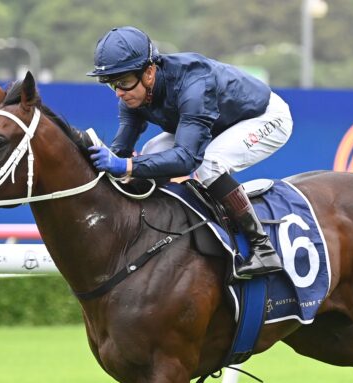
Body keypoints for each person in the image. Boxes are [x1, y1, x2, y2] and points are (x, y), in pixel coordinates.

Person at [86, 26, 293, 278]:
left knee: (210, 164)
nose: (120, 92)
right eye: (113, 84)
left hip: (264, 117)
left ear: (149, 72)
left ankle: (263, 248)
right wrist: (107, 162)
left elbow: (187, 160)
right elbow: (121, 150)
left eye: (124, 82)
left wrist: (126, 166)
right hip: (216, 121)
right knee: (152, 151)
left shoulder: (194, 84)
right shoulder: (132, 96)